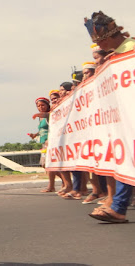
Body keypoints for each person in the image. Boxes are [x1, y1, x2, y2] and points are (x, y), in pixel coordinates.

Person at [85, 11, 135, 223]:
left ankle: (118, 206)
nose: (99, 47)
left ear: (107, 37)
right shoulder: (114, 58)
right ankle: (118, 206)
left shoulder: (130, 51)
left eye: (99, 42)